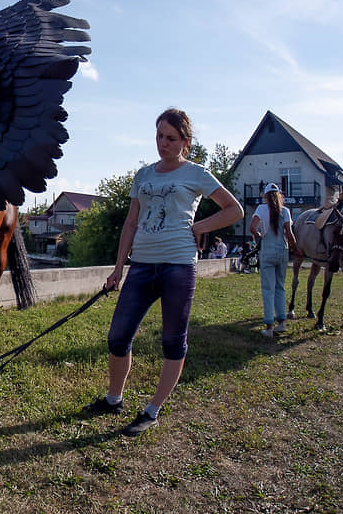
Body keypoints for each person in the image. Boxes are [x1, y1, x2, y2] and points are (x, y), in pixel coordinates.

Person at [84, 108, 244, 436]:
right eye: (159, 136)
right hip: (141, 266)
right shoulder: (143, 175)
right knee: (118, 337)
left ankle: (152, 410)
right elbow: (131, 222)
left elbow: (234, 210)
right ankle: (114, 399)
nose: (163, 143)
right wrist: (118, 268)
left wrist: (199, 226)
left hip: (178, 266)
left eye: (171, 138)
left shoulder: (197, 173)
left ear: (185, 142)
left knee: (172, 342)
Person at [249, 183, 302, 337]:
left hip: (267, 250)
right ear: (279, 195)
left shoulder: (261, 209)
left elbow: (252, 227)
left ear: (265, 196)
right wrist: (296, 250)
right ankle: (281, 323)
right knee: (280, 287)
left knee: (268, 289)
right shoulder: (285, 211)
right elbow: (289, 234)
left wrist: (259, 236)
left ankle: (269, 326)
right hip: (282, 250)